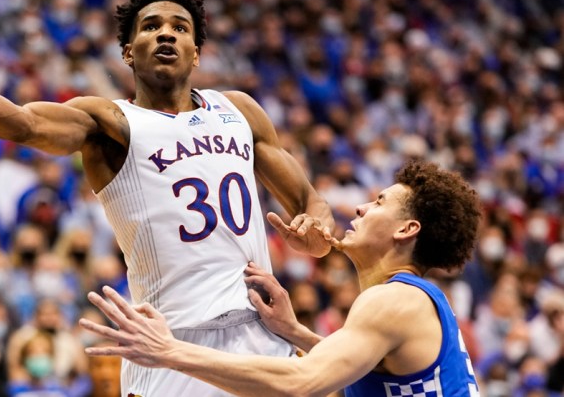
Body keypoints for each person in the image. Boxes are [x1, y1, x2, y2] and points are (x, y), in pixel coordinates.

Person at [0, 0, 334, 395]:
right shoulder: (109, 121)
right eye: (151, 27)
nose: (166, 33)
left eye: (180, 27)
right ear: (128, 52)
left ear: (196, 52)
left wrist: (317, 225)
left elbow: (309, 201)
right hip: (170, 340)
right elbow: (22, 123)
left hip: (262, 329)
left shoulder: (239, 110)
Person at [81, 160, 484, 396]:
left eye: (379, 202)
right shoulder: (411, 302)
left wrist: (169, 352)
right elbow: (371, 371)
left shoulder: (394, 301)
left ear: (406, 230)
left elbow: (303, 383)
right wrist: (295, 332)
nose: (360, 208)